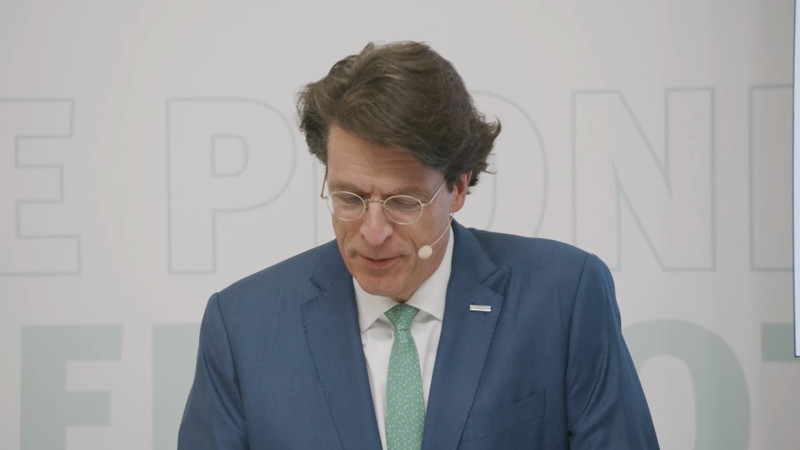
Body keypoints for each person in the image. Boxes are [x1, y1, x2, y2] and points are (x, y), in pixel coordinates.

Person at [178, 41, 659, 450]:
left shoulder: (563, 298)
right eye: (349, 198)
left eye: (403, 202)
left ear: (459, 187)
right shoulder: (243, 327)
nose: (372, 232)